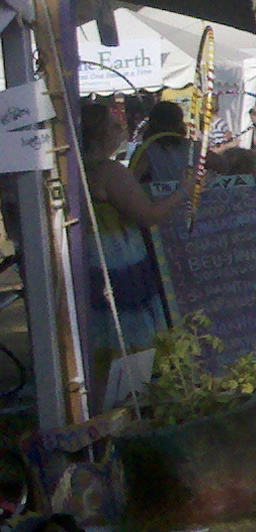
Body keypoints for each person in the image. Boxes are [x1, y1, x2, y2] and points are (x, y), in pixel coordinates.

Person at [78, 99, 180, 364]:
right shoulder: (109, 171)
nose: (121, 130)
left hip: (90, 262)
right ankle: (131, 394)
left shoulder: (77, 170)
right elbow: (147, 215)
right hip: (119, 263)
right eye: (114, 126)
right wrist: (185, 191)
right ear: (101, 134)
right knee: (130, 335)